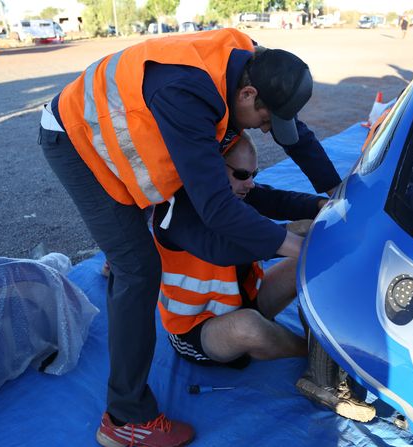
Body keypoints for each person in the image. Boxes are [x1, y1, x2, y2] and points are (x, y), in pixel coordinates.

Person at [38, 28, 341, 447]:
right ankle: (124, 419)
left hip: (141, 123)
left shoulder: (249, 59)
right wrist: (294, 244)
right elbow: (217, 212)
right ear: (249, 95)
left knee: (162, 228)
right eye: (266, 121)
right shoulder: (187, 95)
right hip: (78, 138)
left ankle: (121, 248)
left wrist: (337, 196)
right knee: (138, 270)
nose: (268, 132)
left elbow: (278, 162)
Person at [153, 132, 325, 368]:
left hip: (243, 301)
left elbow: (275, 200)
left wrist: (322, 207)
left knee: (306, 260)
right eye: (242, 174)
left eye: (253, 174)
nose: (250, 183)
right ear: (213, 168)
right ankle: (314, 352)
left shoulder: (230, 192)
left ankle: (327, 335)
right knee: (249, 326)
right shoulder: (175, 214)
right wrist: (292, 232)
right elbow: (223, 248)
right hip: (197, 328)